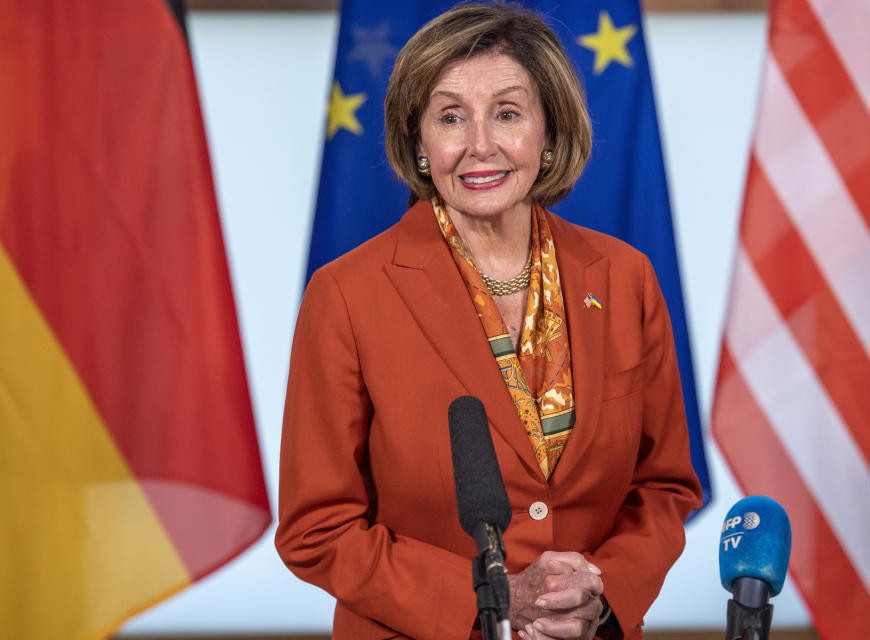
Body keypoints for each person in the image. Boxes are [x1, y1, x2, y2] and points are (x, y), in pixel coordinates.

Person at [275, 3, 703, 639]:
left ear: (549, 132)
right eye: (451, 117)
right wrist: (494, 601)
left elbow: (663, 487)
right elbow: (318, 530)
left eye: (507, 113)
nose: (480, 145)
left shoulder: (624, 277)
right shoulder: (346, 294)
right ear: (418, 143)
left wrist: (602, 595)